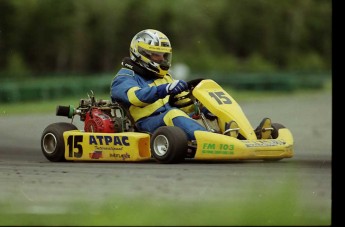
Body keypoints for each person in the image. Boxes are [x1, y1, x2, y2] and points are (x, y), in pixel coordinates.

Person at [110, 29, 207, 141]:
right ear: (142, 54)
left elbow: (181, 103)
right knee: (173, 114)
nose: (162, 59)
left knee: (208, 111)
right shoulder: (124, 78)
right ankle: (210, 141)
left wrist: (197, 104)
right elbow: (136, 97)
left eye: (163, 55)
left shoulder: (164, 77)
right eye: (156, 55)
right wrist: (165, 89)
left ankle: (230, 134)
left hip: (170, 119)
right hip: (146, 124)